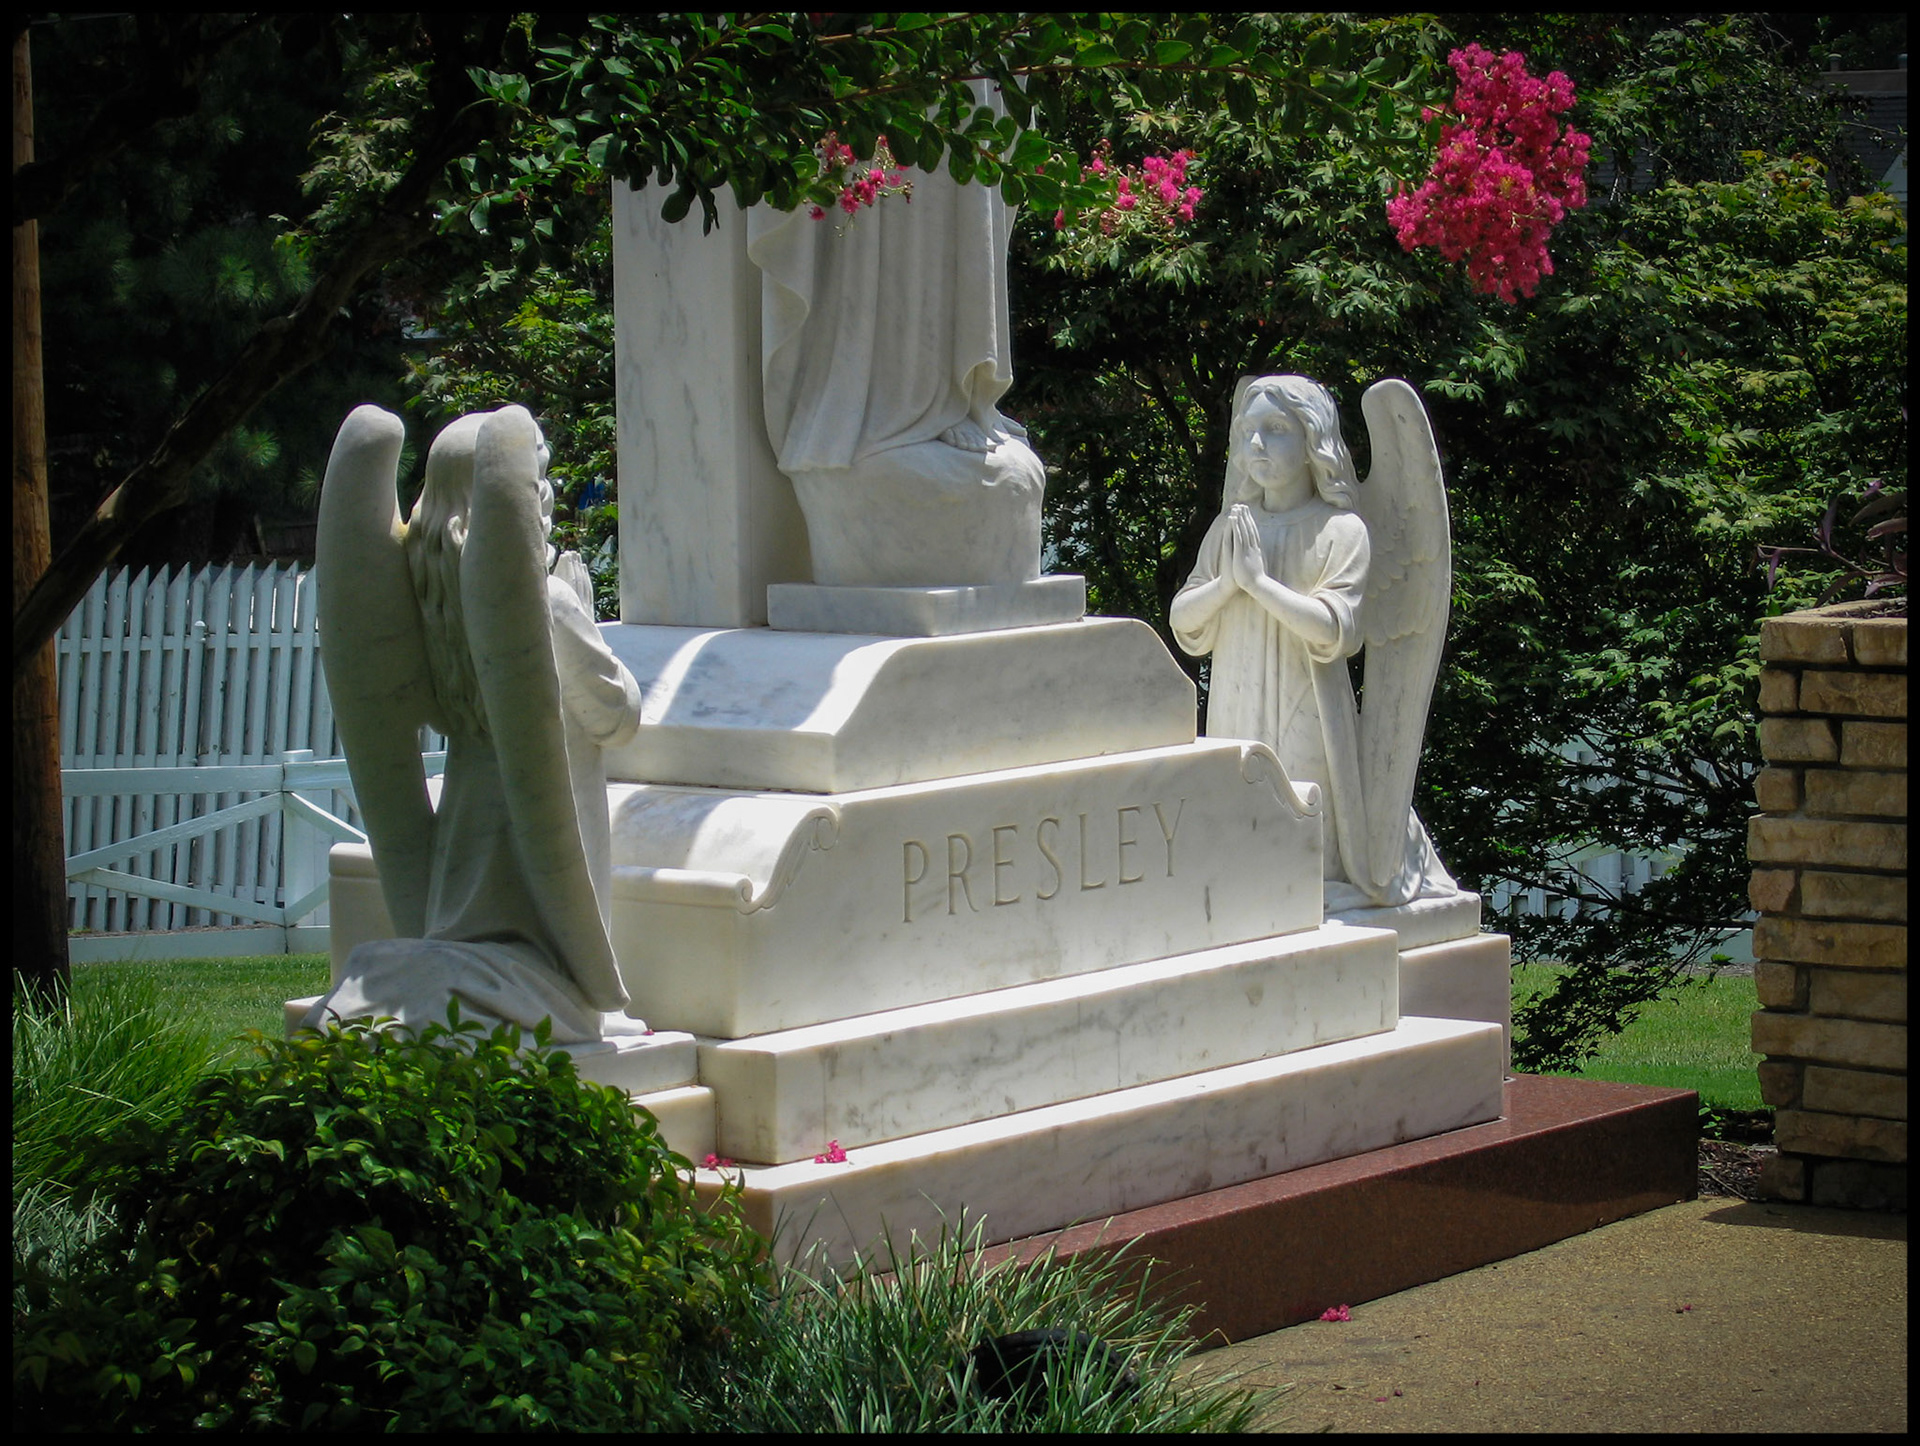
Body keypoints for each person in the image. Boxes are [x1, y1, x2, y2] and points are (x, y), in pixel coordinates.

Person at [1171, 375, 1454, 909]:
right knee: (1242, 812)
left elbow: (1334, 630)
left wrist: (1258, 585)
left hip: (1309, 705)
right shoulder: (1230, 528)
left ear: (1312, 441)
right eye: (1248, 431)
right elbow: (1185, 625)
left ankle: (1318, 880)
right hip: (1238, 696)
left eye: (1275, 430)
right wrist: (1228, 584)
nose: (1256, 444)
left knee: (1305, 831)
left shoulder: (1340, 531)